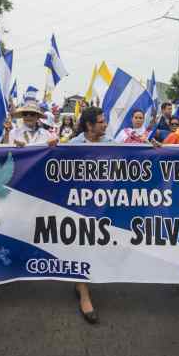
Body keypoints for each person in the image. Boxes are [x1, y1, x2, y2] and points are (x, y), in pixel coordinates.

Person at [67, 107, 112, 324]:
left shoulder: (111, 142)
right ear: (89, 125)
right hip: (79, 206)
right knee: (81, 246)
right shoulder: (73, 145)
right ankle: (84, 294)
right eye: (101, 122)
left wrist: (153, 148)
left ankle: (80, 282)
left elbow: (137, 155)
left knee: (96, 248)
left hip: (105, 207)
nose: (105, 125)